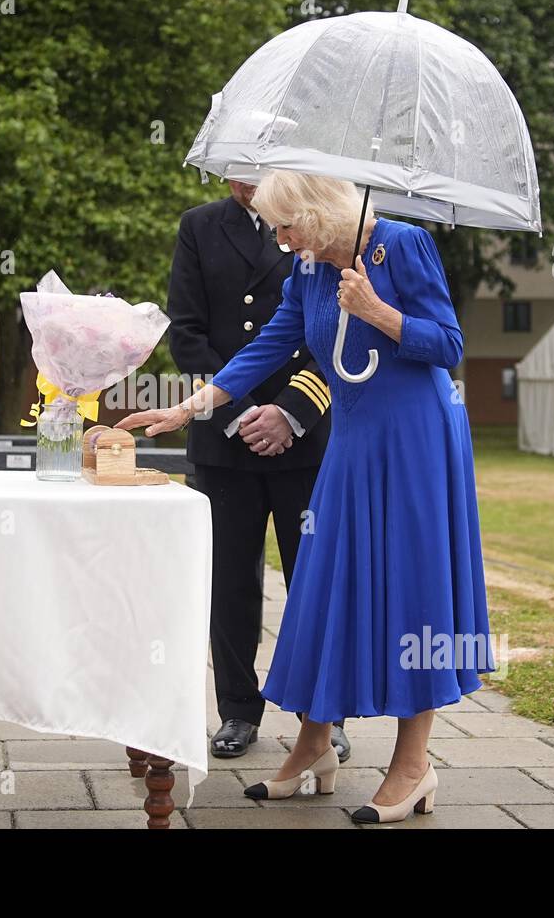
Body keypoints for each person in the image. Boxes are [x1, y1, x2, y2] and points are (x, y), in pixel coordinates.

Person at [118, 171, 494, 824]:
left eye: (286, 226)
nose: (279, 239)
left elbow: (450, 345)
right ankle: (315, 748)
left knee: (410, 593)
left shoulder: (400, 246)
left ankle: (413, 766)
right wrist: (188, 409)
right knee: (324, 590)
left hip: (414, 441)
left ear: (317, 214)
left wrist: (377, 311)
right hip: (350, 445)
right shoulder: (312, 272)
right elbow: (267, 348)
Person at [167, 179, 349, 763]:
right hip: (226, 434)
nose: (247, 175)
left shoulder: (320, 227)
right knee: (230, 583)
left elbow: (335, 329)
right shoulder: (199, 226)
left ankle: (322, 717)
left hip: (306, 431)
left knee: (313, 581)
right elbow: (187, 333)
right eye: (236, 163)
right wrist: (243, 413)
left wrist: (291, 412)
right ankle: (237, 711)